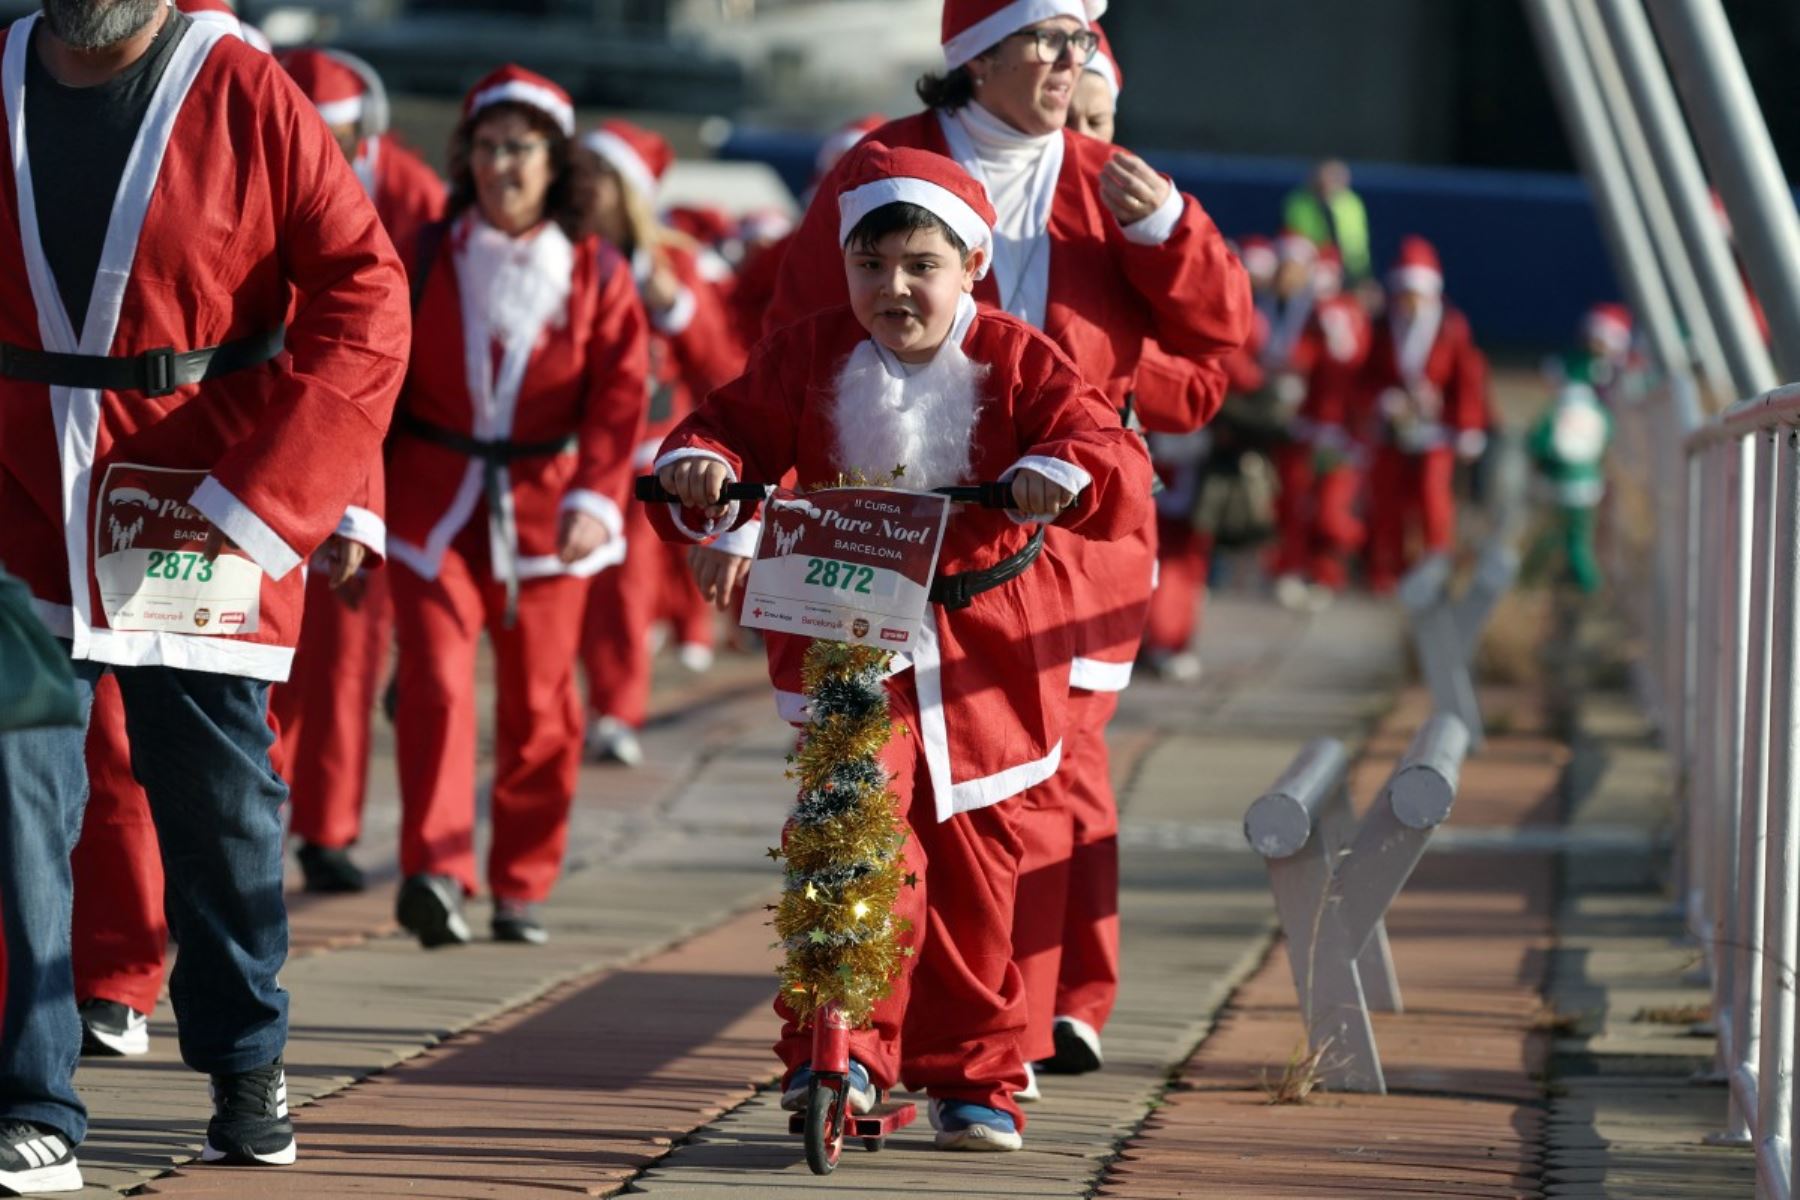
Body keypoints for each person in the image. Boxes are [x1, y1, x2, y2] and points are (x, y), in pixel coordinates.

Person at [761, 0, 1252, 1084]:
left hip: (1064, 531)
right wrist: (755, 504)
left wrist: (1172, 233)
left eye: (1083, 42)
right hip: (883, 533)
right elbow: (791, 341)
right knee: (873, 788)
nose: (1073, 63)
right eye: (1051, 39)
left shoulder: (1108, 176)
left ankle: (1040, 1022)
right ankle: (868, 1045)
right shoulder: (883, 165)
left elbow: (1222, 343)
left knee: (1035, 785)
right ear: (976, 58)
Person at [653, 141, 1152, 1151]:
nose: (895, 289)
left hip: (984, 648)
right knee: (848, 836)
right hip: (848, 631)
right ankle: (836, 1054)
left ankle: (974, 1071)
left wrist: (1060, 470)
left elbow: (1103, 447)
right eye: (871, 266)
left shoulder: (1017, 355)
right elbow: (726, 426)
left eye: (921, 265)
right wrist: (704, 468)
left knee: (979, 863)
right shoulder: (809, 351)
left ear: (972, 264)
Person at [0, 0, 409, 1188]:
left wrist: (277, 496)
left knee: (221, 812)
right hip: (21, 501)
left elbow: (366, 299)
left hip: (196, 501)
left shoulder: (244, 88)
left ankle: (245, 1059)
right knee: (17, 799)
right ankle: (34, 1096)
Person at [384, 66, 650, 950]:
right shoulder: (422, 251)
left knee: (541, 710)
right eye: (489, 147)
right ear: (467, 156)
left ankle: (520, 883)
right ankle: (435, 870)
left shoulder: (596, 271)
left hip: (547, 511)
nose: (504, 166)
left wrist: (593, 498)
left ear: (555, 161)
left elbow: (619, 401)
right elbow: (373, 373)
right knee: (436, 686)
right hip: (431, 509)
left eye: (522, 149)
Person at [270, 46, 444, 892]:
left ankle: (329, 826)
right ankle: (262, 816)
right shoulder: (260, 169)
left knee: (347, 646)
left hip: (391, 446)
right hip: (282, 426)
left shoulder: (413, 193)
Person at [569, 118, 744, 767]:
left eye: (597, 176)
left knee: (623, 587)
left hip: (641, 453)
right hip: (556, 451)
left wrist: (677, 309)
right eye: (578, 173)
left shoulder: (673, 262)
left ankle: (614, 709)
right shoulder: (555, 248)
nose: (582, 188)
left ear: (626, 189)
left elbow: (722, 369)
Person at [1359, 235, 1490, 592]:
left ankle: (1437, 565)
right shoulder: (1385, 325)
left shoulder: (1450, 325)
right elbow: (1368, 373)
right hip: (1394, 427)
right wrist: (1386, 400)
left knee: (1432, 496)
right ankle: (1389, 568)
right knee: (1388, 499)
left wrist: (1466, 425)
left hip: (1436, 429)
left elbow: (1467, 378)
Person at [1269, 242, 1372, 607]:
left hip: (1340, 432)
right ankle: (1294, 569)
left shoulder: (1343, 313)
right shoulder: (1300, 310)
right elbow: (1299, 358)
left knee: (1330, 509)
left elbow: (1356, 367)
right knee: (1295, 503)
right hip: (1305, 427)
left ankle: (1334, 567)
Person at [1282, 158, 1371, 285]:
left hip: (1351, 270)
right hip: (1312, 268)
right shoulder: (1298, 203)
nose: (1327, 185)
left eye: (1334, 179)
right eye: (1321, 181)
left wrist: (1361, 276)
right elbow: (1295, 242)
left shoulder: (1352, 203)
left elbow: (1357, 246)